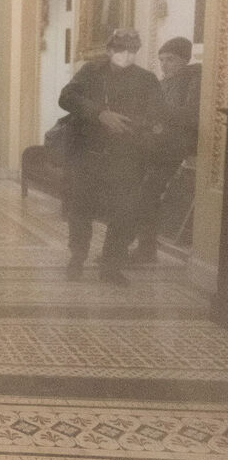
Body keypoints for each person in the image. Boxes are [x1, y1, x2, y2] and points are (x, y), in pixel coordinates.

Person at [59, 29, 165, 283]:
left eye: (131, 51)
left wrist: (131, 124)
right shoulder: (90, 72)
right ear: (109, 50)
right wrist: (100, 114)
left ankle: (111, 265)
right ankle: (78, 256)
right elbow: (66, 97)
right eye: (119, 50)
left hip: (125, 157)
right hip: (88, 153)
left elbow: (157, 116)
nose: (125, 55)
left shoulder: (147, 79)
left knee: (124, 212)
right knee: (81, 209)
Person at [130, 36, 202, 260]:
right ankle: (140, 248)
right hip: (156, 145)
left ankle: (140, 249)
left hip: (175, 148)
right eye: (161, 59)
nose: (164, 64)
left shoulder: (194, 80)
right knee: (137, 191)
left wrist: (158, 111)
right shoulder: (165, 81)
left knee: (146, 194)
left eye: (170, 59)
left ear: (183, 59)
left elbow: (191, 117)